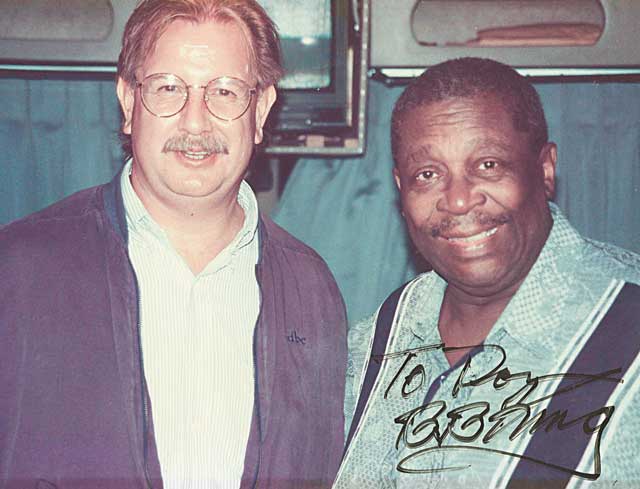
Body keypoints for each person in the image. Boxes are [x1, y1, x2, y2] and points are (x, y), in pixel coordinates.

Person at [0, 1, 347, 488]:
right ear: (128, 102)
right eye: (168, 89)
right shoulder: (16, 271)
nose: (195, 124)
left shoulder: (312, 288)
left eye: (224, 92)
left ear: (262, 109)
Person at [334, 58, 640, 488]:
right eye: (428, 174)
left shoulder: (627, 334)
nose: (458, 201)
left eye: (488, 165)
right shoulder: (378, 339)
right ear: (402, 191)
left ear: (545, 169)